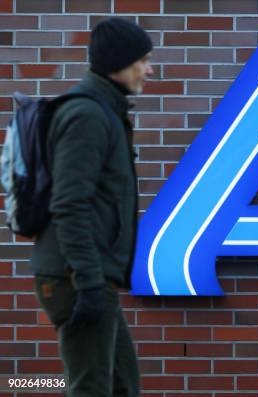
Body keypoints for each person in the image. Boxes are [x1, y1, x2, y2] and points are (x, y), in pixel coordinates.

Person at [30, 17, 153, 396]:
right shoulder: (87, 115)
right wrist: (87, 283)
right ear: (119, 62)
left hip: (91, 276)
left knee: (120, 385)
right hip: (77, 277)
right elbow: (69, 203)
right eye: (142, 61)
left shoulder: (106, 112)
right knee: (91, 389)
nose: (148, 70)